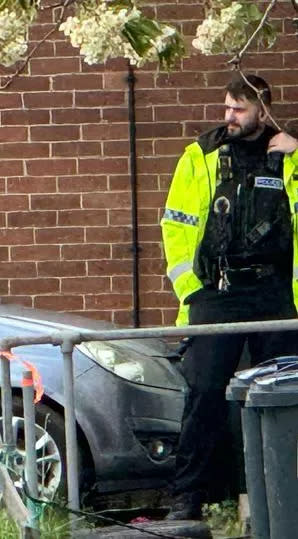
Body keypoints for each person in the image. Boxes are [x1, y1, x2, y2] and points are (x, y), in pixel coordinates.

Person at [161, 73, 298, 520]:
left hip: (273, 293)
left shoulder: (289, 157)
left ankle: (275, 500)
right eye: (226, 108)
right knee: (204, 394)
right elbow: (176, 225)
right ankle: (187, 499)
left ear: (263, 109)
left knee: (279, 395)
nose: (230, 117)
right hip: (217, 292)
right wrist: (191, 290)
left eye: (239, 109)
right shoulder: (201, 156)